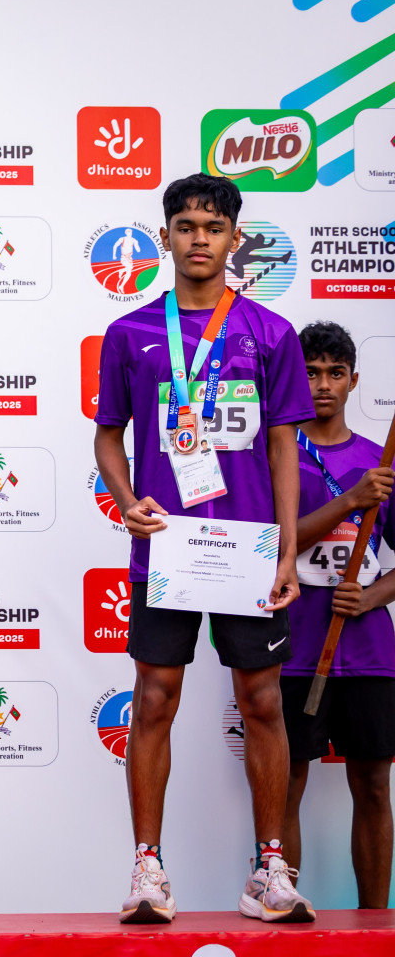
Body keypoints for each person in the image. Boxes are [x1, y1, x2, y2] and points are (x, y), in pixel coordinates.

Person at [93, 173, 315, 923]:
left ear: (233, 239)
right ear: (165, 237)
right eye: (185, 225)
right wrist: (127, 503)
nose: (198, 238)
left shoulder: (271, 334)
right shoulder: (131, 334)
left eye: (212, 227)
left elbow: (284, 447)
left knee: (262, 702)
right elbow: (107, 436)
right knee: (154, 699)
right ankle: (147, 873)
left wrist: (287, 551)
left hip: (249, 547)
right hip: (171, 551)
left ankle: (269, 871)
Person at [281, 322, 395, 909]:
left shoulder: (381, 464)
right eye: (311, 372)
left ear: (354, 381)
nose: (322, 385)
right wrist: (351, 501)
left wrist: (373, 596)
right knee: (286, 785)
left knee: (374, 786)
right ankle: (284, 907)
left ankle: (377, 924)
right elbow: (272, 546)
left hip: (370, 653)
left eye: (334, 373)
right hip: (295, 647)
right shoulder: (276, 458)